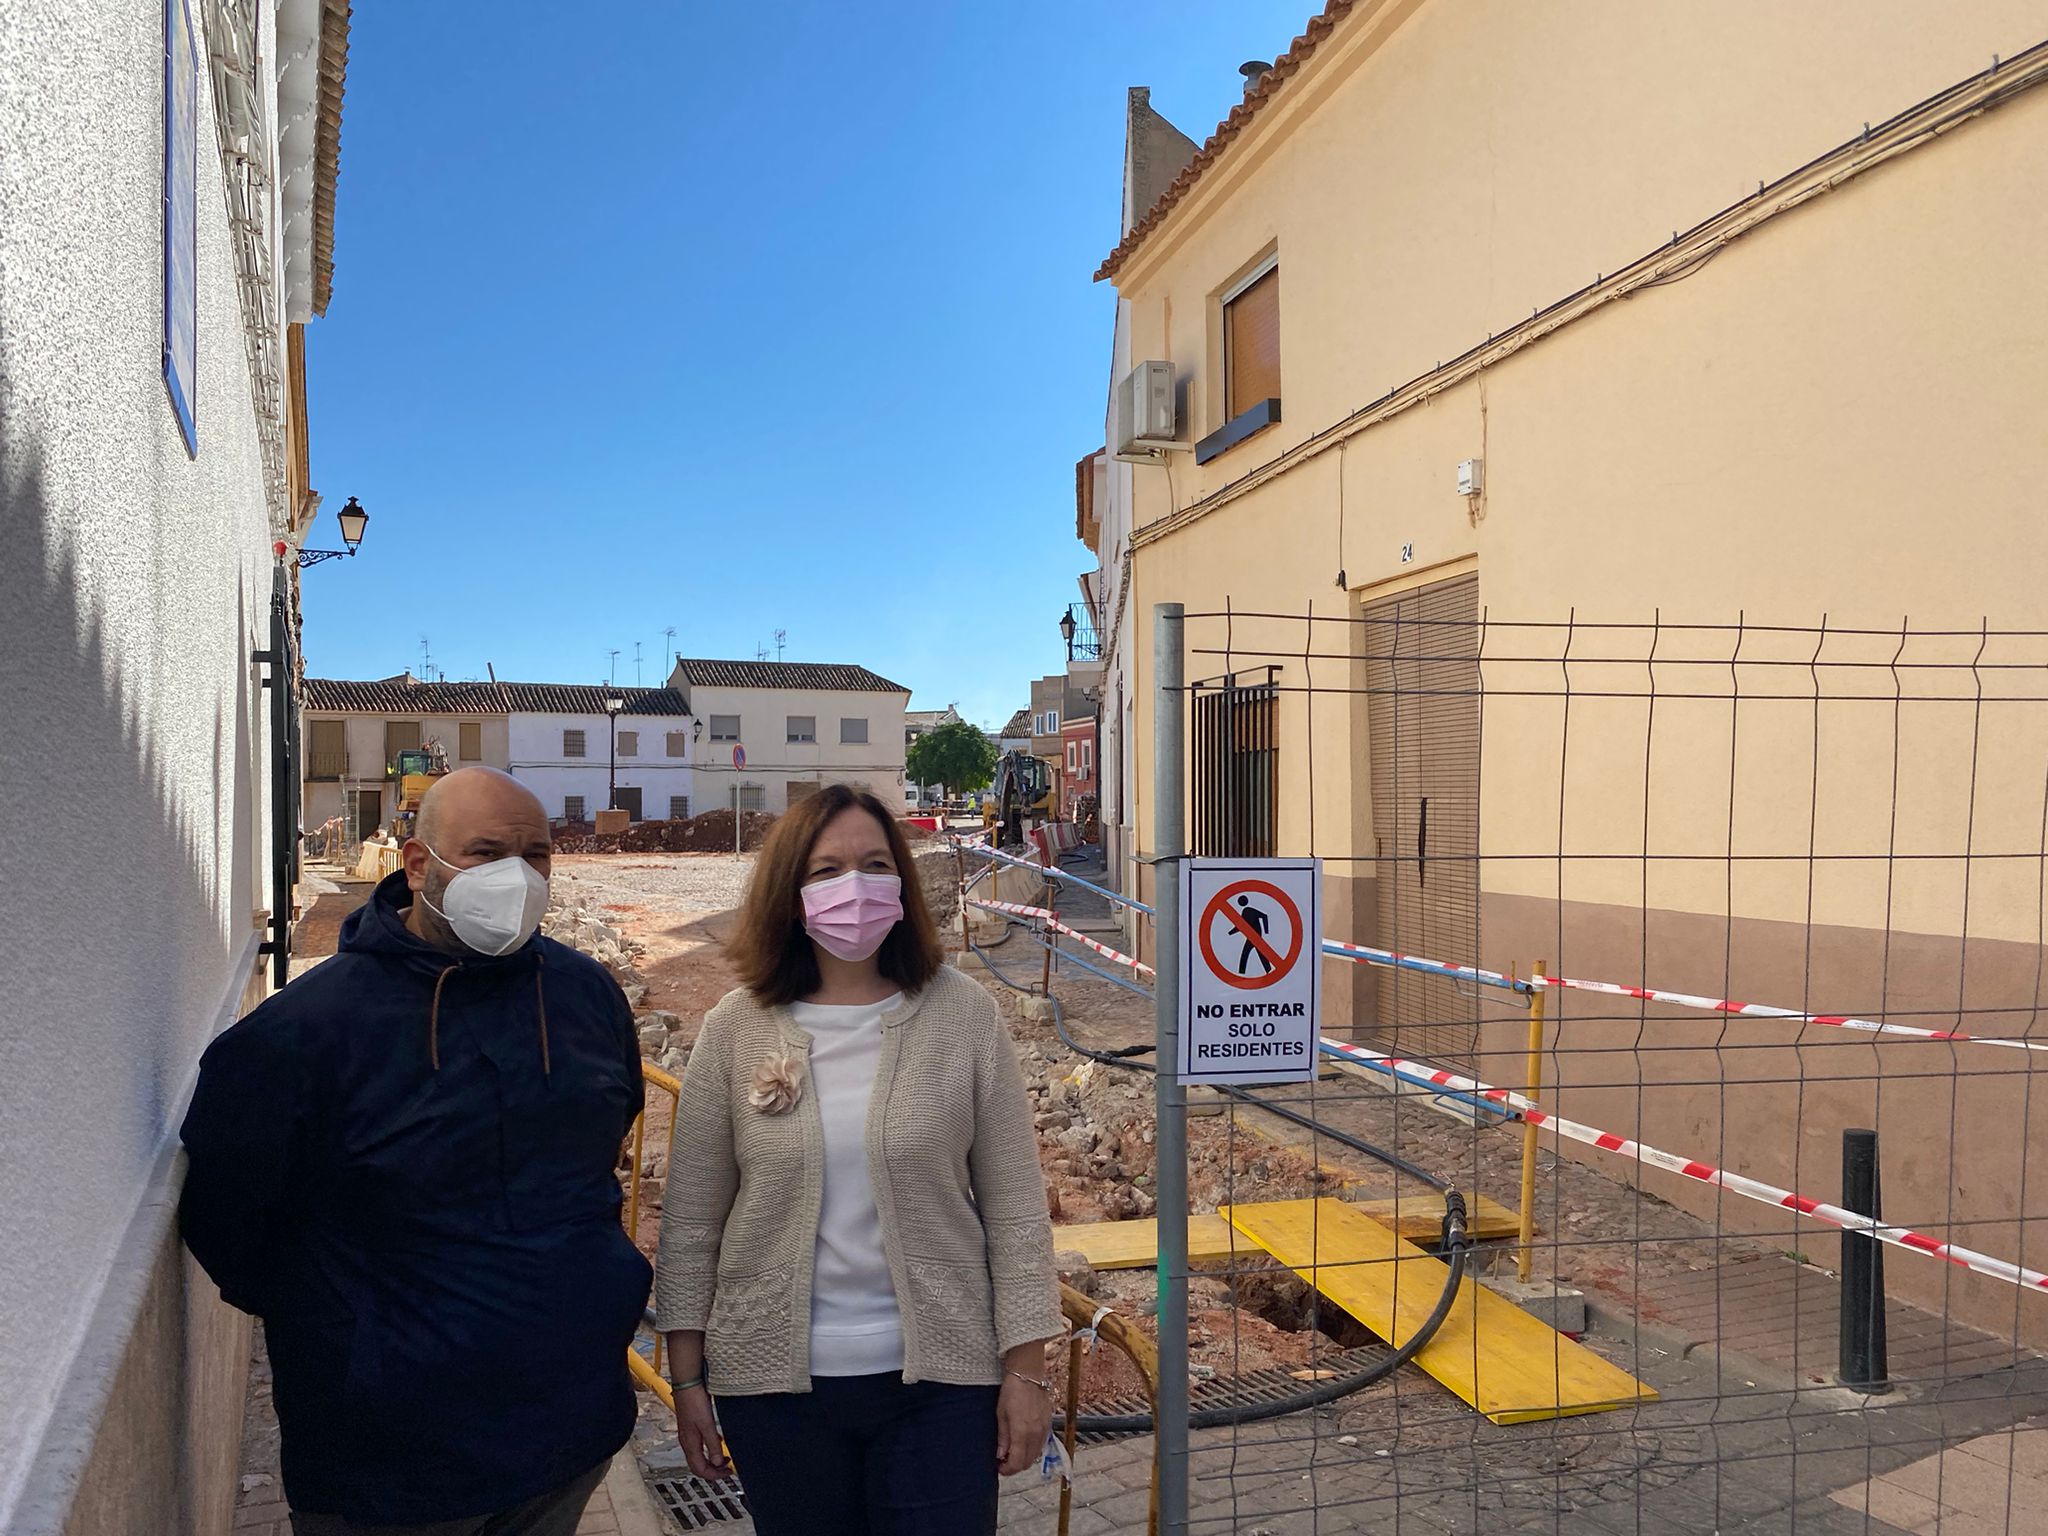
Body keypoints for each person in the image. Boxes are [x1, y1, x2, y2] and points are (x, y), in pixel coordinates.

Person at [179, 768, 651, 1535]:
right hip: (389, 1472)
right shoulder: (302, 1033)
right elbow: (228, 1219)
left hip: (568, 1436)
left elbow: (602, 1151)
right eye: (486, 852)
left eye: (536, 855)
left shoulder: (586, 996)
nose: (517, 876)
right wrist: (355, 1334)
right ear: (419, 864)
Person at [656, 783, 1060, 1536]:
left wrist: (1027, 1372)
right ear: (790, 890)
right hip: (773, 1392)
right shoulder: (735, 1027)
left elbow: (1015, 1210)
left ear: (902, 884)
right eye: (826, 869)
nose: (855, 887)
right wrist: (685, 1380)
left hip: (943, 1386)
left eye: (876, 864)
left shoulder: (963, 1014)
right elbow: (689, 1224)